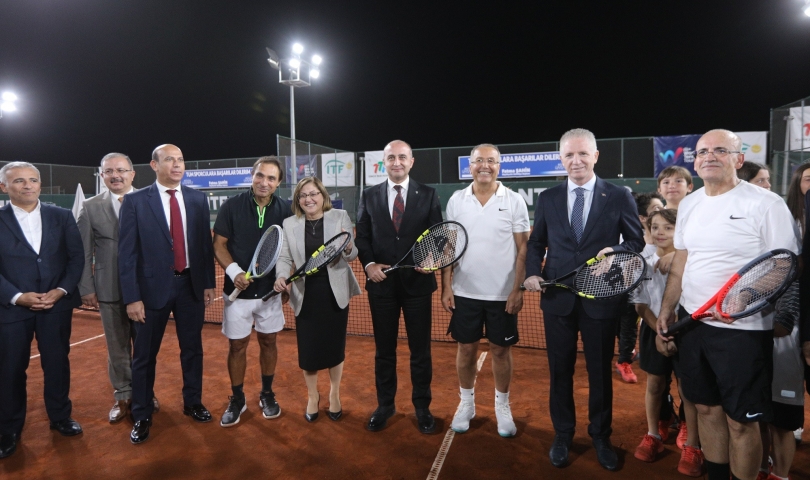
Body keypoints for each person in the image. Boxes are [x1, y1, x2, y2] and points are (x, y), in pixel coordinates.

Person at [657, 129, 799, 480]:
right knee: (705, 408)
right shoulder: (689, 203)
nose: (709, 156)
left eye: (720, 150)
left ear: (738, 159)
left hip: (742, 332)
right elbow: (682, 262)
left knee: (741, 422)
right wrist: (666, 308)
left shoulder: (766, 203)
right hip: (693, 323)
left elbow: (784, 264)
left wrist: (740, 301)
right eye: (702, 151)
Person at [524, 128, 644, 471]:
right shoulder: (548, 197)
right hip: (558, 298)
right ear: (561, 159)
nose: (575, 161)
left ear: (595, 155)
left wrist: (616, 251)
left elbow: (635, 243)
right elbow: (536, 243)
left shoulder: (619, 195)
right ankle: (563, 434)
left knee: (599, 373)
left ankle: (601, 436)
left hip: (601, 299)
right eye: (568, 155)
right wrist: (533, 272)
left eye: (582, 154)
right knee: (559, 371)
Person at [119, 144, 217, 445]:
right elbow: (127, 255)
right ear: (154, 164)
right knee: (144, 356)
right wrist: (132, 297)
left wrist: (208, 281)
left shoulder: (198, 200)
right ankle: (142, 412)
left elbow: (203, 246)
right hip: (150, 292)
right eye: (169, 160)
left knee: (193, 350)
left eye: (181, 160)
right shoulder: (135, 201)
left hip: (190, 287)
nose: (176, 165)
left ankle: (192, 402)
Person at [440, 144, 530, 438]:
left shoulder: (514, 201)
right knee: (466, 349)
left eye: (491, 161)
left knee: (500, 351)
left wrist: (517, 289)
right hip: (465, 292)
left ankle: (502, 406)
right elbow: (450, 246)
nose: (485, 166)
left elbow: (522, 249)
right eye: (479, 161)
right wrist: (446, 286)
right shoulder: (456, 200)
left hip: (502, 294)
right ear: (470, 166)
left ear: (499, 166)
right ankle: (466, 403)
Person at [355, 139, 443, 434]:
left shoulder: (428, 195)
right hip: (381, 286)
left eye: (402, 157)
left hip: (418, 284)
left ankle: (422, 407)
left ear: (411, 161)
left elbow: (438, 234)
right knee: (384, 350)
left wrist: (430, 258)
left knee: (421, 351)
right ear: (384, 162)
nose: (396, 162)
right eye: (391, 157)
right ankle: (385, 405)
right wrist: (368, 266)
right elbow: (362, 236)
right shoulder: (368, 195)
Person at [0, 162, 85, 459]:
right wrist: (17, 296)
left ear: (39, 185)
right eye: (19, 181)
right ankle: (8, 429)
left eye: (33, 180)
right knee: (10, 370)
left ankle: (60, 417)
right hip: (11, 310)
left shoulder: (61, 216)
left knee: (57, 364)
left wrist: (60, 291)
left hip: (56, 307)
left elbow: (76, 259)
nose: (27, 185)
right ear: (4, 187)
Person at [77, 153, 161, 423]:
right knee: (117, 347)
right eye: (109, 171)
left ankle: (145, 393)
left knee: (145, 347)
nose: (116, 175)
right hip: (109, 288)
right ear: (102, 175)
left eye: (122, 170)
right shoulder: (89, 207)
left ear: (132, 174)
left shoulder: (151, 200)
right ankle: (124, 395)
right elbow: (83, 252)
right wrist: (87, 288)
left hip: (145, 289)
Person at [213, 157, 292, 427]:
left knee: (269, 342)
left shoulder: (286, 209)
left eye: (271, 178)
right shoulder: (231, 206)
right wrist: (234, 272)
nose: (264, 182)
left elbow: (291, 249)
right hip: (237, 293)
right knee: (237, 345)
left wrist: (285, 278)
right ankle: (237, 398)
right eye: (260, 176)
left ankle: (267, 394)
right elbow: (219, 244)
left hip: (270, 293)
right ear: (252, 175)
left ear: (278, 182)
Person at [273, 176, 360, 422]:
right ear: (298, 201)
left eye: (313, 194)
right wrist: (281, 277)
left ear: (323, 196)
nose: (308, 199)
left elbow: (352, 253)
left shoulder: (340, 217)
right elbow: (285, 257)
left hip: (334, 291)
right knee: (309, 349)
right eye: (303, 195)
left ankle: (334, 393)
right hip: (306, 293)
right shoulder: (289, 223)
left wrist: (347, 248)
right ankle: (313, 396)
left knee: (334, 346)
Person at [631, 209, 705, 476]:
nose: (660, 232)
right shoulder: (642, 260)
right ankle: (653, 435)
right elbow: (640, 306)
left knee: (689, 390)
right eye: (655, 227)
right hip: (653, 329)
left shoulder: (693, 260)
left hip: (687, 331)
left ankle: (694, 446)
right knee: (655, 385)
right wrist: (659, 331)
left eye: (668, 228)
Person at [746, 165, 803, 480]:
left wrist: (779, 323)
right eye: (761, 181)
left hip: (780, 345)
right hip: (749, 345)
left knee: (781, 419)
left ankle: (779, 475)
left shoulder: (780, 223)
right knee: (756, 416)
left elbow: (789, 282)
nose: (767, 186)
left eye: (768, 181)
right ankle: (758, 467)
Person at [614, 192, 665, 385]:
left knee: (629, 327)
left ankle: (625, 357)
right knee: (622, 326)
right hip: (625, 291)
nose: (662, 211)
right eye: (656, 209)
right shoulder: (631, 240)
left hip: (651, 296)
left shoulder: (666, 236)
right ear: (642, 218)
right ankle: (625, 357)